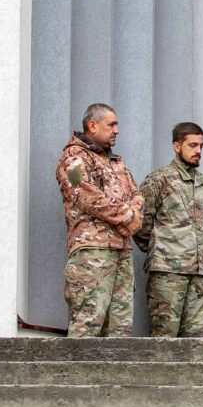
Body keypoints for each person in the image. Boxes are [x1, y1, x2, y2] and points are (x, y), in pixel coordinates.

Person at [55, 103, 143, 337]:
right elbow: (84, 193)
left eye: (117, 125)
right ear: (92, 125)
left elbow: (136, 194)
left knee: (120, 329)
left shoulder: (116, 162)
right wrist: (127, 216)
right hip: (92, 254)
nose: (117, 130)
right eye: (111, 125)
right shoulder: (73, 157)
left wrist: (134, 213)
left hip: (121, 251)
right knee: (88, 323)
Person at [135, 122, 203, 337]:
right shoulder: (159, 179)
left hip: (200, 274)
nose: (198, 151)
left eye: (201, 146)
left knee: (196, 339)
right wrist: (162, 250)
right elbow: (142, 224)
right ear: (176, 146)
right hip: (168, 273)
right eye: (192, 145)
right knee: (164, 338)